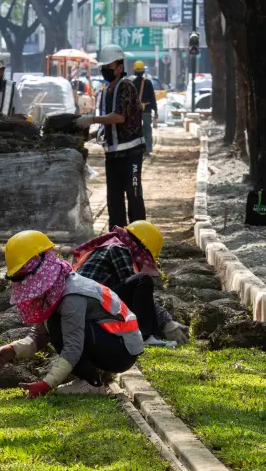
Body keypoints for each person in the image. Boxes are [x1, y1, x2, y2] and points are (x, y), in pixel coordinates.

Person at [0, 230, 144, 397]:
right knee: (54, 324)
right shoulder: (52, 294)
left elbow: (73, 347)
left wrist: (46, 384)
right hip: (110, 342)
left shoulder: (72, 296)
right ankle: (88, 378)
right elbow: (39, 336)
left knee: (56, 324)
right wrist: (12, 350)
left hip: (122, 352)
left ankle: (92, 383)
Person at [71, 220, 189, 346]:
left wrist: (164, 321)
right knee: (143, 280)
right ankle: (145, 336)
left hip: (84, 305)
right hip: (89, 305)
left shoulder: (112, 245)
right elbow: (135, 289)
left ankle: (152, 332)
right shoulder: (118, 249)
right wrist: (166, 323)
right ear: (141, 247)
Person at [76, 45, 146, 229]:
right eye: (104, 67)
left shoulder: (126, 86)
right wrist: (91, 133)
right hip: (113, 155)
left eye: (109, 66)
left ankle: (138, 236)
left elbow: (119, 117)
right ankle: (117, 237)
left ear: (120, 67)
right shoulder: (107, 90)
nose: (105, 70)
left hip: (131, 154)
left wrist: (91, 119)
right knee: (114, 200)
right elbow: (109, 123)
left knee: (134, 194)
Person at [131, 61, 158, 154]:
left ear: (134, 71)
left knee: (135, 130)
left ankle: (136, 149)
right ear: (143, 71)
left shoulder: (132, 83)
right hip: (147, 110)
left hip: (135, 112)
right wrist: (155, 110)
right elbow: (152, 97)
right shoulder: (148, 83)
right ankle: (148, 149)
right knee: (147, 130)